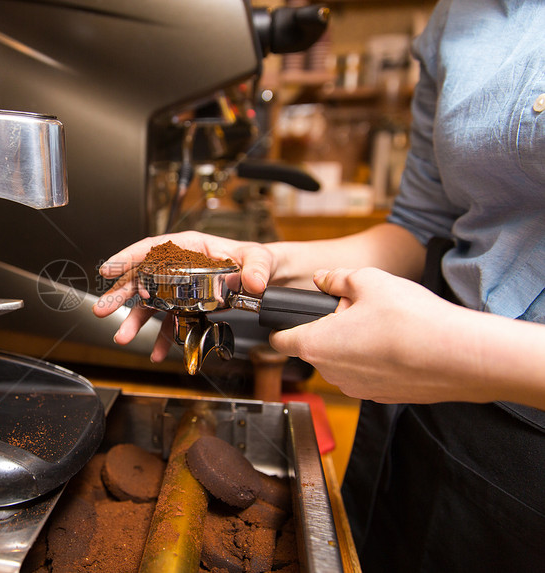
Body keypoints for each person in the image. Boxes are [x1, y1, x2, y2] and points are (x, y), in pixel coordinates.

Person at [93, 1, 545, 570]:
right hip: (428, 415)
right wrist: (261, 262)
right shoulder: (459, 16)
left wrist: (465, 353)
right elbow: (421, 228)